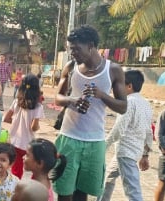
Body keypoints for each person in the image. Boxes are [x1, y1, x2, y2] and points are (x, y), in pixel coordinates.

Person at [53, 25, 127, 201]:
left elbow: (123, 107)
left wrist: (102, 95)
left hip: (95, 141)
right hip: (69, 138)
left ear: (91, 45)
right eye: (71, 49)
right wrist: (72, 101)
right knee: (64, 190)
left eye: (76, 48)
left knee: (83, 192)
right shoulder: (71, 67)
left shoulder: (113, 70)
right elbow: (57, 98)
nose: (73, 53)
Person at [98, 70, 153, 201]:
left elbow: (119, 129)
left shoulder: (128, 102)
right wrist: (145, 154)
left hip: (126, 152)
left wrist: (104, 145)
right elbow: (149, 132)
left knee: (133, 191)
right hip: (133, 151)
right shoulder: (145, 104)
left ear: (129, 86)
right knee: (109, 177)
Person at [3, 74, 45, 179]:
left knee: (16, 168)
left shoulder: (16, 102)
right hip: (28, 144)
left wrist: (17, 121)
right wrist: (36, 126)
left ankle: (13, 187)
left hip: (14, 141)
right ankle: (29, 188)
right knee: (35, 167)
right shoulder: (38, 107)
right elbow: (34, 127)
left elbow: (6, 119)